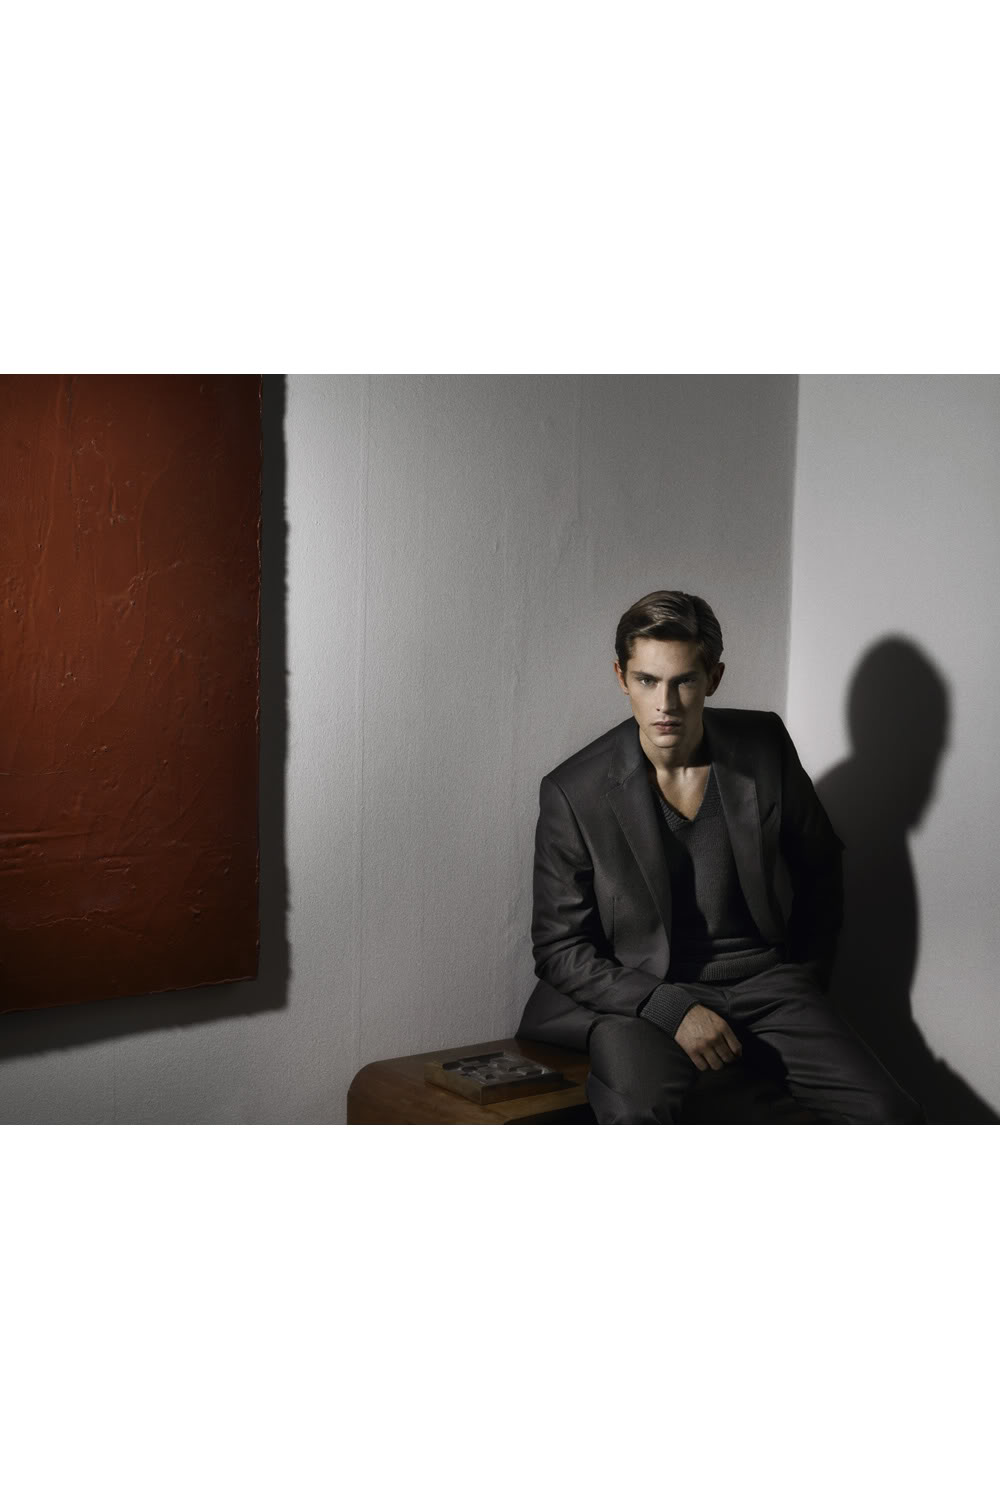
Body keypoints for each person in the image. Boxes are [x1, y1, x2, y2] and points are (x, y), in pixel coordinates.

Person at [516, 590, 924, 1124]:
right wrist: (670, 1008)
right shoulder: (575, 791)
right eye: (647, 681)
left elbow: (820, 867)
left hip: (768, 988)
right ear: (621, 678)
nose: (665, 704)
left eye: (684, 681)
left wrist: (805, 976)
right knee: (639, 1114)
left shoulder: (763, 745)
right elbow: (559, 947)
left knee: (890, 1115)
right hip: (643, 995)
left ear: (714, 678)